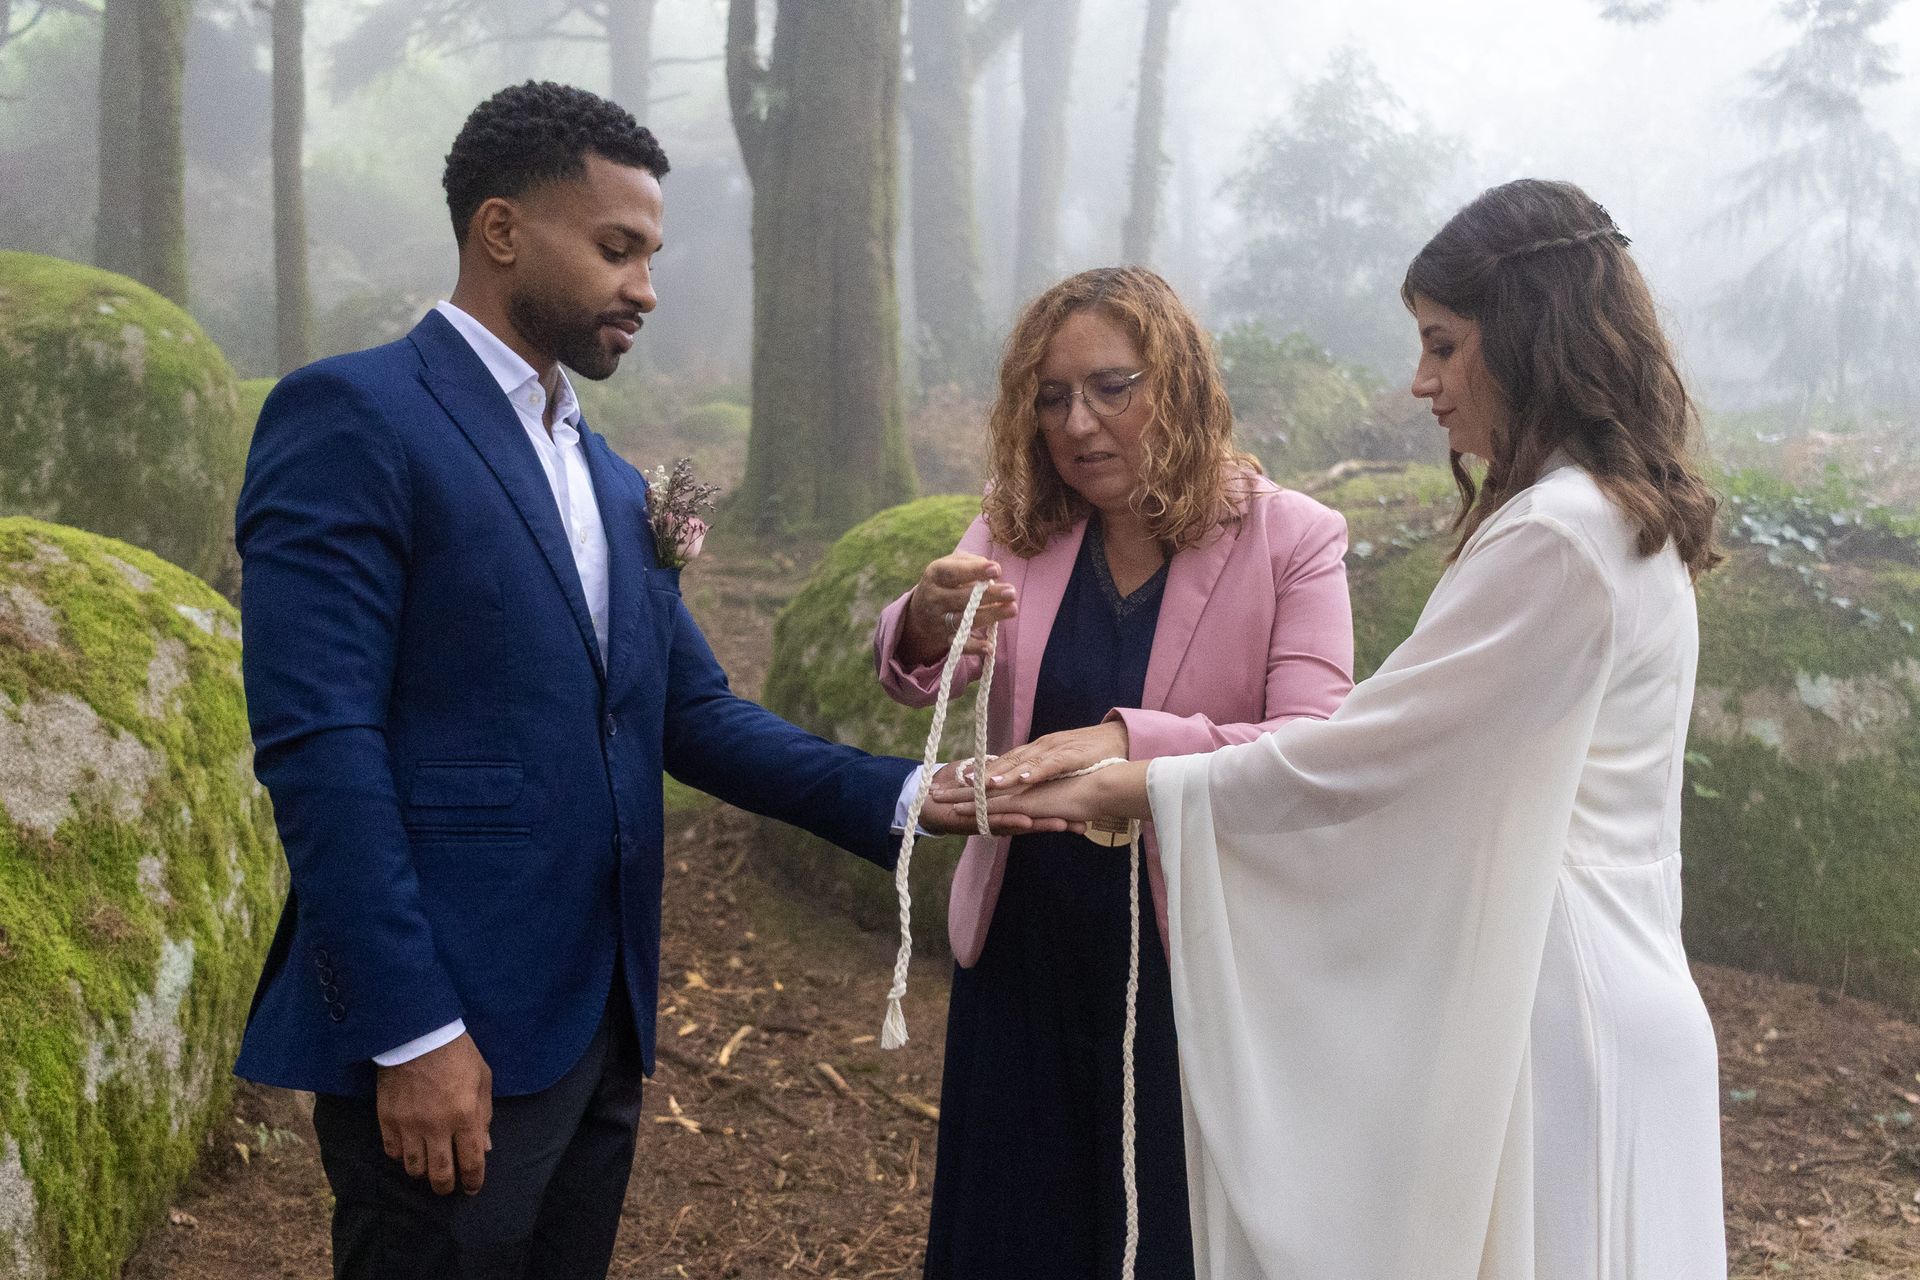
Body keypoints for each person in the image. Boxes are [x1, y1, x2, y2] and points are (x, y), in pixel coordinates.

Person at [233, 81, 1015, 1280]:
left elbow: (687, 713)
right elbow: (320, 739)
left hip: (601, 1028)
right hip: (451, 1030)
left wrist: (916, 795)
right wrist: (412, 1027)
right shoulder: (353, 416)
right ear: (501, 231)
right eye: (617, 249)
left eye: (650, 253)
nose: (646, 288)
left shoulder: (611, 478)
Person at [954, 180, 1729, 1279]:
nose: (1423, 382)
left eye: (1445, 345)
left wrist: (1142, 776)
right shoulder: (1619, 515)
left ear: (1530, 336)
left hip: (1552, 1000)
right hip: (1621, 979)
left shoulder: (1557, 537)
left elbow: (1367, 756)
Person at [874, 266, 1355, 1277]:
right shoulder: (1019, 522)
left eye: (1110, 387)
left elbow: (1313, 747)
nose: (1078, 423)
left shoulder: (1292, 540)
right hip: (1023, 946)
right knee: (1013, 1234)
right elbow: (928, 672)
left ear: (1174, 383)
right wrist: (920, 617)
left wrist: (1127, 738)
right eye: (1052, 397)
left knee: (1160, 1234)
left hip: (1191, 961)